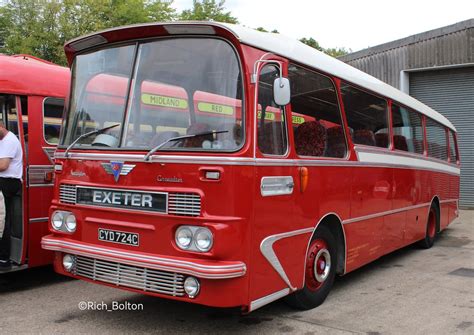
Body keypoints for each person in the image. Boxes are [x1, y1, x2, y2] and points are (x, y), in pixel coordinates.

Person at [0, 121, 23, 268]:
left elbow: (3, 166)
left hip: (8, 182)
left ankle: (3, 258)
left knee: (4, 220)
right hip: (6, 181)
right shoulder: (4, 140)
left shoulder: (9, 141)